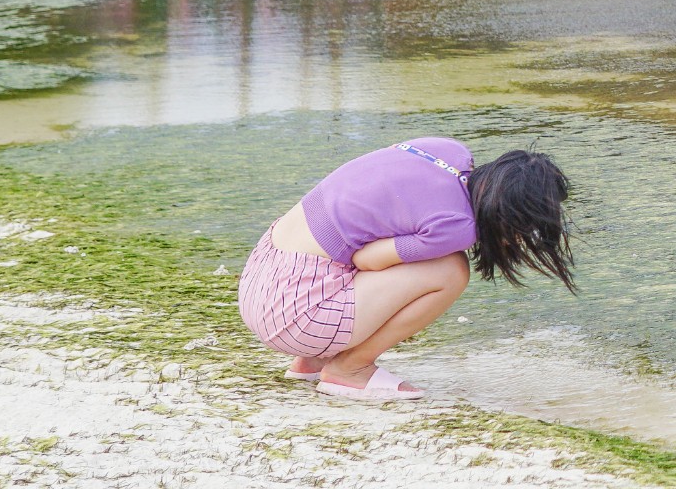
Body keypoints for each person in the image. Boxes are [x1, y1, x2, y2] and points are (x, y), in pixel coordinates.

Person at [237, 138, 574, 401]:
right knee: (451, 272)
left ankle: (312, 361)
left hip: (262, 280)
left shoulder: (442, 150)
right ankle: (349, 369)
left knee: (358, 240)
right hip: (295, 316)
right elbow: (366, 261)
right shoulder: (456, 225)